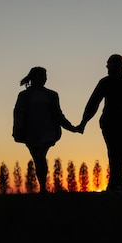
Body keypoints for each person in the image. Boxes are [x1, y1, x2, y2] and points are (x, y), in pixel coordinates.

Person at [77, 54, 122, 193]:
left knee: (120, 153)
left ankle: (116, 185)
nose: (107, 66)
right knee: (114, 153)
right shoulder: (105, 82)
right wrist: (84, 122)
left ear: (119, 65)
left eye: (109, 63)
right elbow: (93, 103)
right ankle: (117, 185)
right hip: (108, 122)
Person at [13, 66, 79, 194]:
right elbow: (18, 114)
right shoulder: (24, 95)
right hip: (30, 132)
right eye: (41, 76)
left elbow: (58, 115)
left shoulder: (51, 95)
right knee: (37, 159)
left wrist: (72, 128)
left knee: (41, 155)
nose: (44, 79)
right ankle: (42, 186)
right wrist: (18, 130)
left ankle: (43, 187)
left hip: (48, 131)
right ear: (33, 78)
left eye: (45, 76)